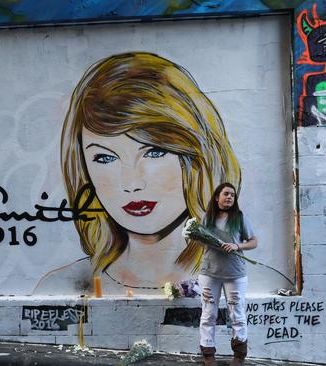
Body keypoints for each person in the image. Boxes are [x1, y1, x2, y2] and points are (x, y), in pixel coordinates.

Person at [32, 52, 240, 295]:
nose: (131, 183)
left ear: (196, 157)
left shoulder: (241, 282)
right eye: (105, 158)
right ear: (85, 170)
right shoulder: (58, 288)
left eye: (154, 152)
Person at [186, 182, 257, 366]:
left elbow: (254, 241)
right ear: (217, 197)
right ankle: (208, 353)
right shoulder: (207, 219)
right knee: (209, 312)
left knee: (237, 313)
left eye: (232, 195)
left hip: (235, 273)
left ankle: (239, 354)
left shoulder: (239, 217)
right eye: (226, 194)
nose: (230, 197)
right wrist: (196, 237)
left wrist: (237, 245)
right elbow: (202, 244)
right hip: (210, 273)